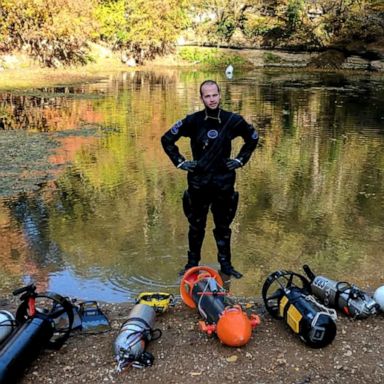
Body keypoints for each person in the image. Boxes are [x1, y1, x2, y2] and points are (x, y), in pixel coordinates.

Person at [161, 80, 258, 278]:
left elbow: (253, 137)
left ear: (220, 95)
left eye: (214, 95)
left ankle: (226, 267)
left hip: (224, 182)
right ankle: (191, 265)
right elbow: (167, 139)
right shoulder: (193, 121)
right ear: (201, 98)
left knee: (223, 227)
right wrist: (180, 162)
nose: (212, 99)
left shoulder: (232, 120)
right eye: (207, 96)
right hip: (199, 182)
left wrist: (240, 160)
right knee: (196, 226)